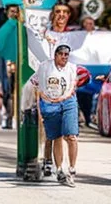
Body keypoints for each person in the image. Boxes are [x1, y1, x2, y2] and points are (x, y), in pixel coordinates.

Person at [37, 43, 80, 186]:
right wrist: (42, 98)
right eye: (61, 54)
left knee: (71, 135)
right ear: (55, 55)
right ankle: (59, 169)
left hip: (67, 101)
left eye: (66, 54)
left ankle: (72, 168)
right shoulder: (44, 67)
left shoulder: (72, 68)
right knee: (56, 136)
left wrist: (63, 97)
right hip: (50, 103)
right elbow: (37, 84)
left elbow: (72, 86)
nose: (64, 57)